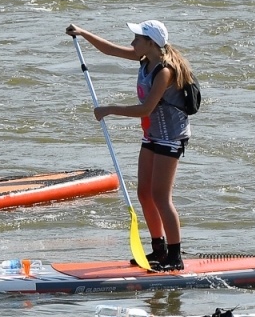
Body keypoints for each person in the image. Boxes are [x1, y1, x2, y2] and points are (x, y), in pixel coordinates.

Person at [64, 19, 197, 271]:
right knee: (143, 193)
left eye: (137, 38)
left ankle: (175, 256)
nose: (133, 42)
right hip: (152, 134)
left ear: (150, 43)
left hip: (171, 137)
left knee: (160, 197)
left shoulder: (165, 72)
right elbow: (110, 50)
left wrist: (109, 109)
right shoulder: (145, 59)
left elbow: (146, 108)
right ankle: (158, 249)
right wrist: (82, 33)